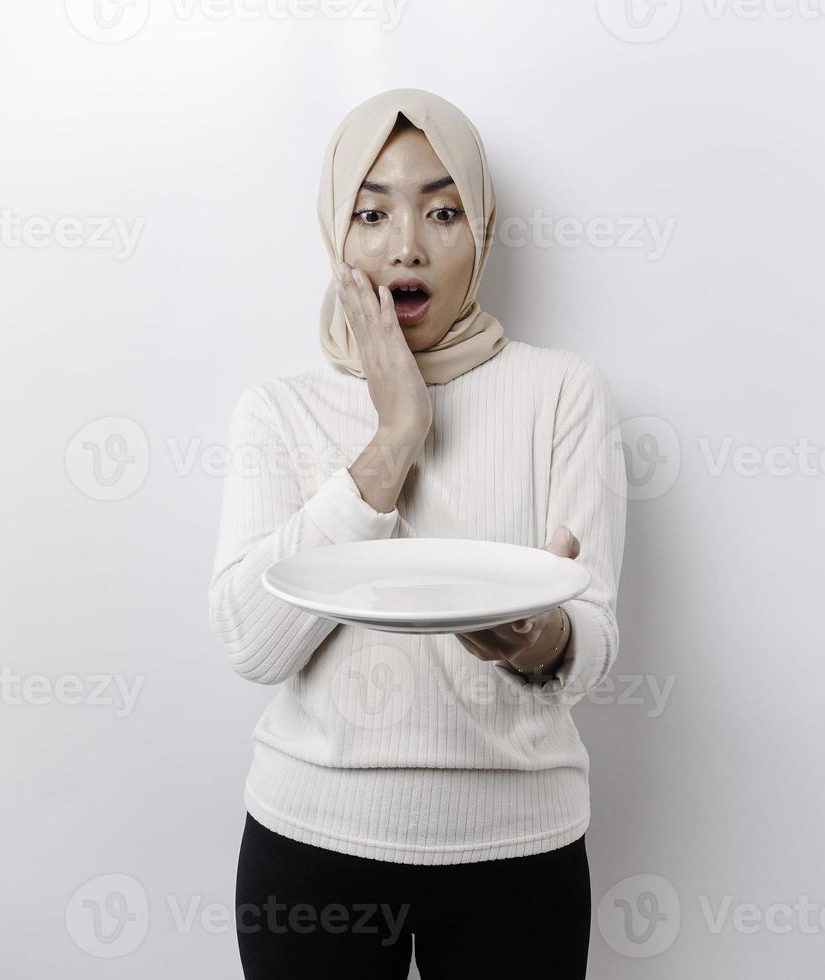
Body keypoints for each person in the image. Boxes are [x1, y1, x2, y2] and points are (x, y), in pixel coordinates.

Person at [208, 87, 628, 979]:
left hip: (520, 853)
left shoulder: (564, 392)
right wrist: (395, 434)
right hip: (313, 850)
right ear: (336, 232)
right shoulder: (277, 411)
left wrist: (537, 637)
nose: (407, 244)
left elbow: (592, 641)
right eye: (372, 212)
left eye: (444, 210)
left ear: (480, 233)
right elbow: (251, 642)